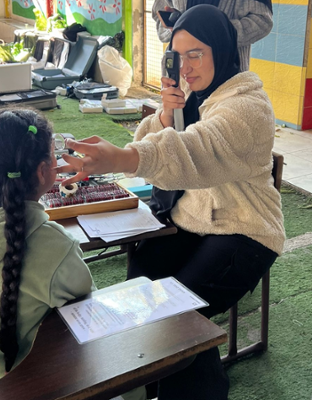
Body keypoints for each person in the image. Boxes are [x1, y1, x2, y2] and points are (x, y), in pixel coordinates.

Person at [56, 5, 285, 399]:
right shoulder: (194, 94)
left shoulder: (248, 106)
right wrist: (165, 113)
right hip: (194, 219)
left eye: (196, 53)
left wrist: (125, 158)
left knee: (177, 318)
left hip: (246, 231)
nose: (186, 66)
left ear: (223, 50)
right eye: (178, 55)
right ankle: (155, 382)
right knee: (141, 283)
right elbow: (158, 137)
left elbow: (194, 152)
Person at [0, 107, 96, 388]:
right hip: (28, 385)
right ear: (42, 171)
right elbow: (90, 321)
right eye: (53, 153)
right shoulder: (56, 249)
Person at [153, 0, 273, 72]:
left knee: (222, 113)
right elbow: (160, 21)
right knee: (174, 113)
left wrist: (214, 31)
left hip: (225, 73)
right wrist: (176, 25)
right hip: (178, 71)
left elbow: (262, 22)